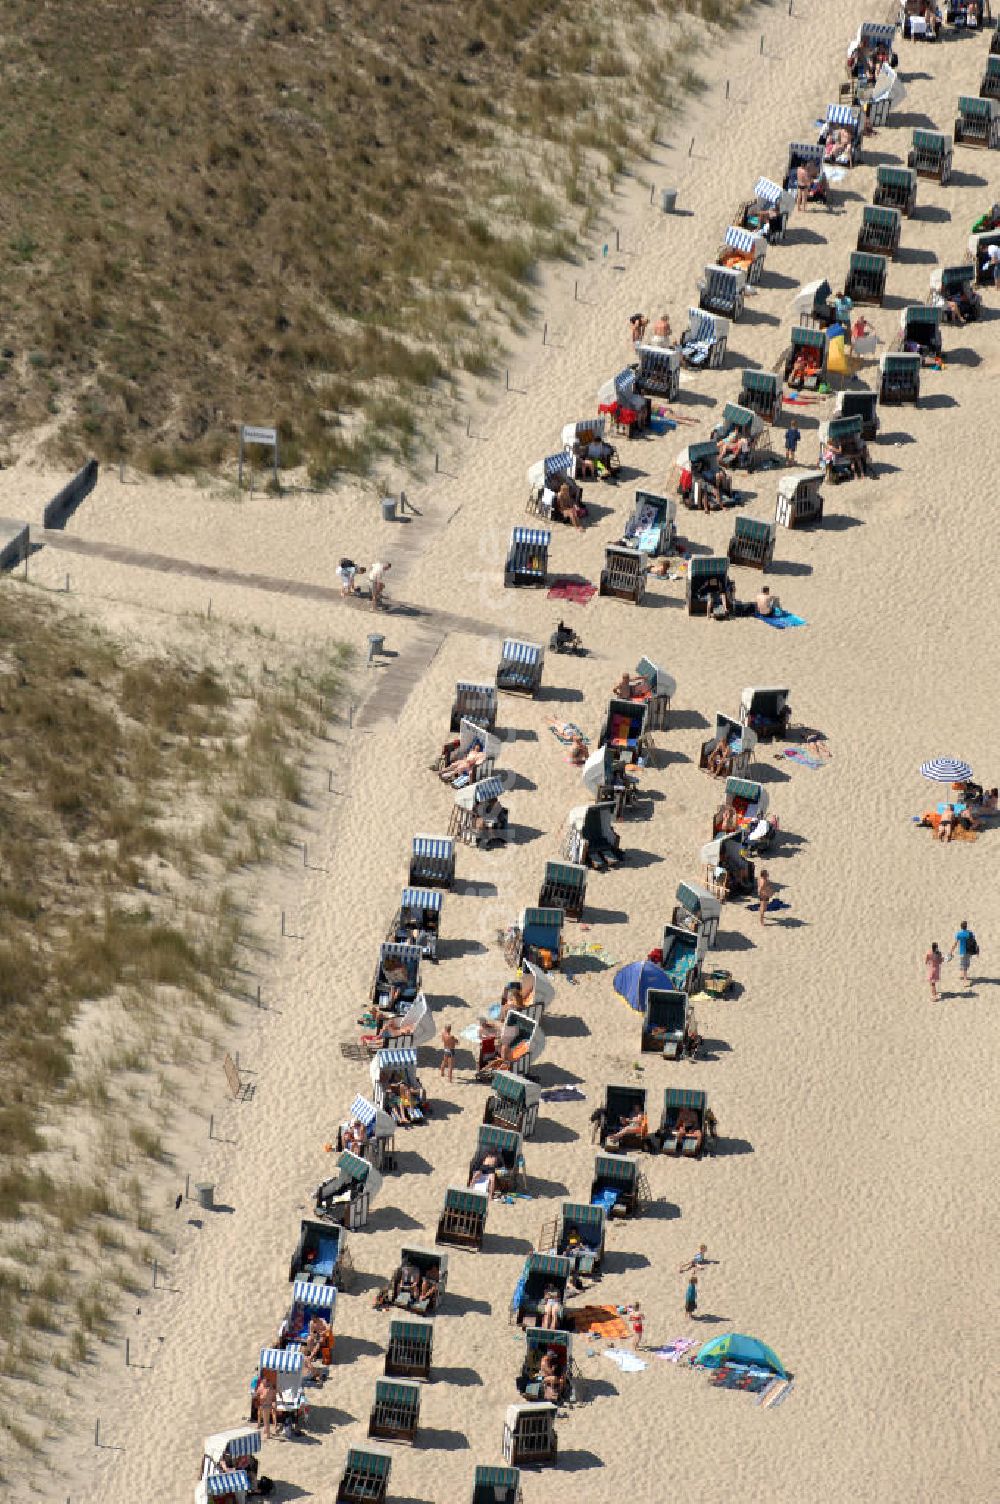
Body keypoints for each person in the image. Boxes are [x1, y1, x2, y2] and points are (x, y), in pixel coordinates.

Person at [255, 1371, 277, 1440]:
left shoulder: (266, 1387)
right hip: (265, 1404)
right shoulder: (266, 1386)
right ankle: (266, 1431)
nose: (264, 1381)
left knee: (266, 1420)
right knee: (265, 1419)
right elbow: (258, 1394)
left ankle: (267, 1435)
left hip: (266, 1405)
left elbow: (261, 1396)